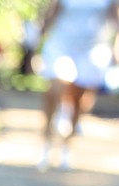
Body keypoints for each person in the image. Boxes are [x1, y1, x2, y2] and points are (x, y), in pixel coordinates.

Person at [38, 0, 119, 170]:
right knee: (55, 88)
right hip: (62, 45)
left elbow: (115, 18)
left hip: (92, 48)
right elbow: (53, 12)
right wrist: (36, 44)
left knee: (79, 101)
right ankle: (46, 140)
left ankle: (67, 145)